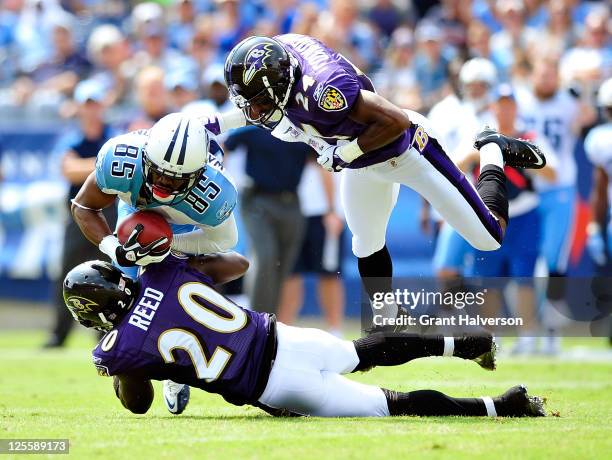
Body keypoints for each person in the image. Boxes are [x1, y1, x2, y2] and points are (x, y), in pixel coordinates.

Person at [221, 34, 546, 330]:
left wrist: (345, 153)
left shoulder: (323, 90)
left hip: (405, 151)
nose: (256, 109)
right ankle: (389, 316)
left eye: (260, 100)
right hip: (362, 162)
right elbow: (256, 109)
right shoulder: (279, 64)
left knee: (489, 236)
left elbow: (396, 120)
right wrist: (214, 123)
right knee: (365, 241)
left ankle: (491, 147)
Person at [63, 254, 546, 418]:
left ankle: (504, 406)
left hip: (274, 387)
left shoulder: (117, 348)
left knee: (391, 402)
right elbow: (238, 266)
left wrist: (121, 367)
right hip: (286, 339)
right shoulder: (161, 273)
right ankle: (465, 343)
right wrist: (177, 257)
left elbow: (137, 404)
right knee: (364, 350)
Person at [70, 112, 238, 414]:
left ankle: (176, 365)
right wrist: (114, 249)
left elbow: (226, 244)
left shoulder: (213, 193)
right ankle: (126, 358)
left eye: (177, 178)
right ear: (146, 156)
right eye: (159, 173)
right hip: (134, 216)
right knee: (129, 299)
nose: (165, 183)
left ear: (199, 174)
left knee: (171, 292)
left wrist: (169, 246)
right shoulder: (122, 159)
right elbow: (83, 206)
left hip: (183, 227)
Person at [43, 80, 117, 348]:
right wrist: (103, 163)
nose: (91, 110)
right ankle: (59, 334)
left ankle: (108, 332)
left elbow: (77, 167)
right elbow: (68, 169)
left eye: (94, 104)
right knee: (66, 273)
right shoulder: (72, 138)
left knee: (111, 274)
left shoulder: (112, 134)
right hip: (78, 216)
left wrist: (84, 165)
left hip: (109, 215)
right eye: (87, 105)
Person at [224, 126, 310, 313]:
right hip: (257, 199)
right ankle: (257, 318)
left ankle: (270, 321)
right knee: (265, 257)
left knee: (283, 265)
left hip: (291, 202)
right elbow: (225, 145)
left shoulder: (301, 127)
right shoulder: (257, 126)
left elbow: (320, 157)